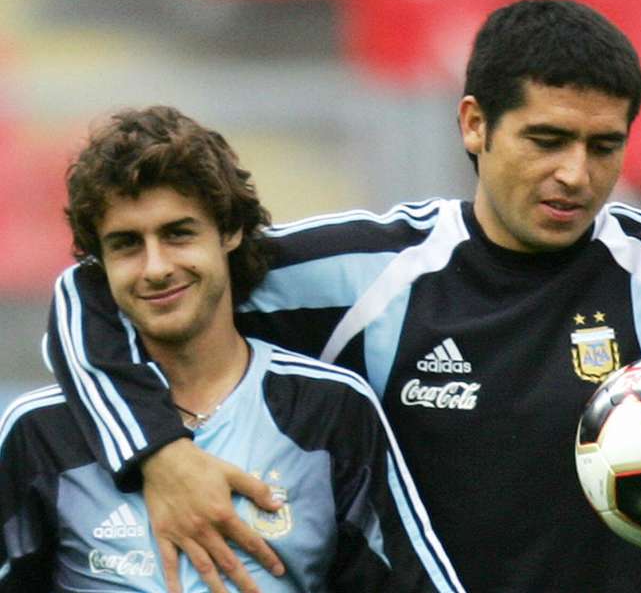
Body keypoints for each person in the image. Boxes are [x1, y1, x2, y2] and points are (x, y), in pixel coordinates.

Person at [41, 0, 641, 593]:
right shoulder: (369, 272)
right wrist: (159, 453)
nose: (576, 173)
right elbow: (99, 289)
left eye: (604, 147)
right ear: (475, 124)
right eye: (546, 140)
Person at [0, 106, 457, 593]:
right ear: (100, 262)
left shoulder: (329, 410)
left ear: (230, 232)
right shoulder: (41, 433)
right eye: (127, 244)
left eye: (179, 234)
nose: (156, 267)